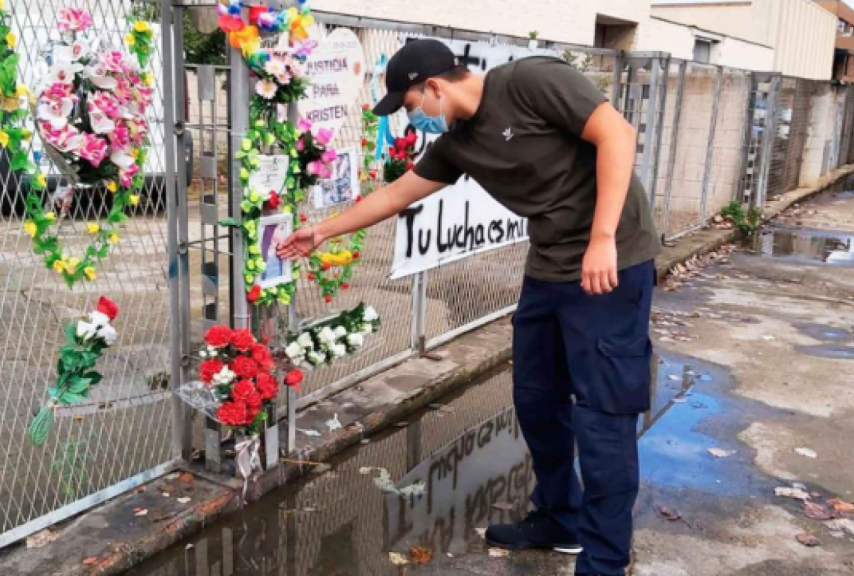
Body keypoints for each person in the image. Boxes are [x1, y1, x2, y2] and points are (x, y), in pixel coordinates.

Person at [278, 39, 660, 576]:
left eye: (412, 106)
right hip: (550, 266)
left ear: (434, 86)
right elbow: (395, 195)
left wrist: (603, 238)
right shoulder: (456, 145)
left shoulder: (528, 81)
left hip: (611, 261)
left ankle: (605, 561)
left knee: (603, 417)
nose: (415, 120)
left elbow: (616, 134)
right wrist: (320, 231)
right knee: (536, 399)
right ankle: (560, 517)